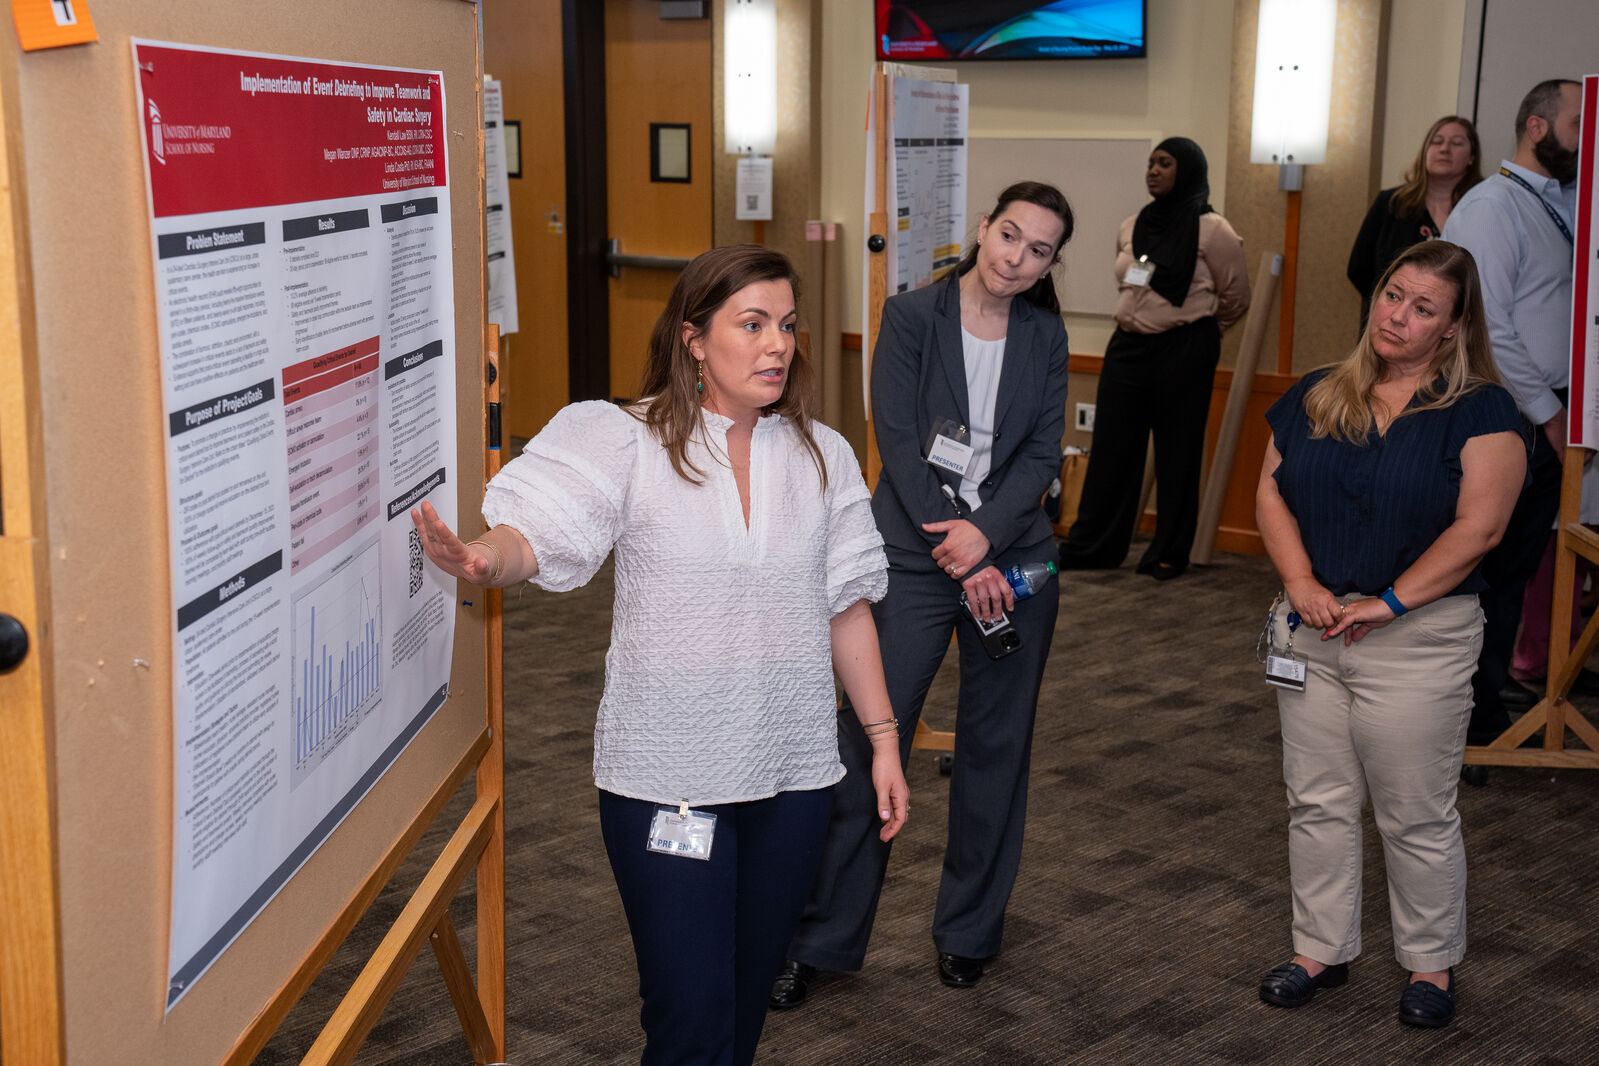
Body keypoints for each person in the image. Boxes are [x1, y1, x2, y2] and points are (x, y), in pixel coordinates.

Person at [411, 245, 911, 1066]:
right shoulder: (628, 441)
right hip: (667, 780)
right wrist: (482, 560)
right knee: (688, 1008)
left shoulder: (821, 455)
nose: (776, 344)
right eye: (750, 324)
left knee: (748, 997)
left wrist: (884, 740)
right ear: (692, 338)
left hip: (792, 773)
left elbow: (846, 605)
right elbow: (538, 533)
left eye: (786, 325)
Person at [769, 181, 1072, 1005]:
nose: (1016, 257)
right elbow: (897, 443)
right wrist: (957, 546)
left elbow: (1044, 455)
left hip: (1014, 560)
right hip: (911, 553)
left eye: (1038, 249)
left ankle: (969, 930)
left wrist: (988, 542)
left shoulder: (1046, 335)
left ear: (1051, 263)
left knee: (995, 748)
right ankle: (818, 939)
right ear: (983, 228)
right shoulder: (909, 318)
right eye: (1009, 235)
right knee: (868, 738)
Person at [1254, 240, 1527, 1029]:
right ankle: (1319, 951)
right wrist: (1301, 585)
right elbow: (1269, 495)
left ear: (1451, 328)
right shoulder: (1316, 394)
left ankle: (1430, 967)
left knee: (1412, 810)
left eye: (1421, 308)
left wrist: (1390, 604)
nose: (1397, 317)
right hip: (1312, 629)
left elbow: (1480, 529)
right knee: (1316, 801)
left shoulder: (1480, 410)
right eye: (1392, 295)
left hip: (1417, 639)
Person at [1441, 78, 1583, 744]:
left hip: (1553, 416)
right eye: (1579, 124)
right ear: (1535, 127)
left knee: (1514, 574)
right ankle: (1465, 724)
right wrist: (1547, 416)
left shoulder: (1571, 203)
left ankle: (1485, 709)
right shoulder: (1493, 205)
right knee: (1483, 578)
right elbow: (1488, 323)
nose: (1589, 140)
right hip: (1511, 416)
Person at [1057, 137, 1250, 580]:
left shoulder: (1213, 229)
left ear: (1188, 170)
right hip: (1128, 346)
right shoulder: (1132, 224)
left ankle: (1168, 552)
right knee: (1112, 447)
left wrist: (1201, 331)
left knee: (1177, 451)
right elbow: (1131, 283)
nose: (1154, 170)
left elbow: (1237, 296)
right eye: (1151, 163)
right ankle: (1094, 546)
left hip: (1183, 348)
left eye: (1165, 163)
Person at [1347, 115, 1483, 328]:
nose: (1445, 149)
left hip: (1455, 332)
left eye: (1456, 143)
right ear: (1425, 152)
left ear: (1472, 158)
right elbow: (1358, 268)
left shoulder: (1482, 210)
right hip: (1390, 326)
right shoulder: (1391, 203)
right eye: (1437, 142)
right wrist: (1392, 304)